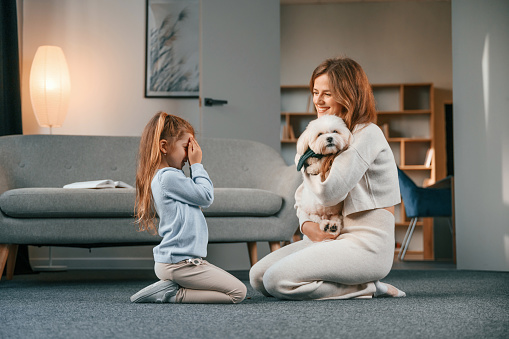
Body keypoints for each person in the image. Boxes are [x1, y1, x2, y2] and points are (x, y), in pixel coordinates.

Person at [250, 57, 406, 300]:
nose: (318, 101)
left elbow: (329, 192)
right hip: (332, 238)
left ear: (348, 95)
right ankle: (342, 282)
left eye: (327, 94)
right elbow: (304, 194)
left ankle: (369, 287)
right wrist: (305, 224)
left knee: (276, 280)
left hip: (367, 246)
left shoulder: (367, 134)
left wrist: (304, 158)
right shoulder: (326, 137)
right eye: (315, 92)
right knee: (258, 276)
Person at [130, 112, 247, 304]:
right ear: (164, 147)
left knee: (233, 289)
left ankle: (173, 287)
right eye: (186, 147)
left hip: (183, 262)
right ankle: (171, 294)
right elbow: (206, 196)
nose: (190, 154)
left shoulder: (167, 177)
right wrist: (197, 165)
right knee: (238, 293)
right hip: (179, 264)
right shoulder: (167, 177)